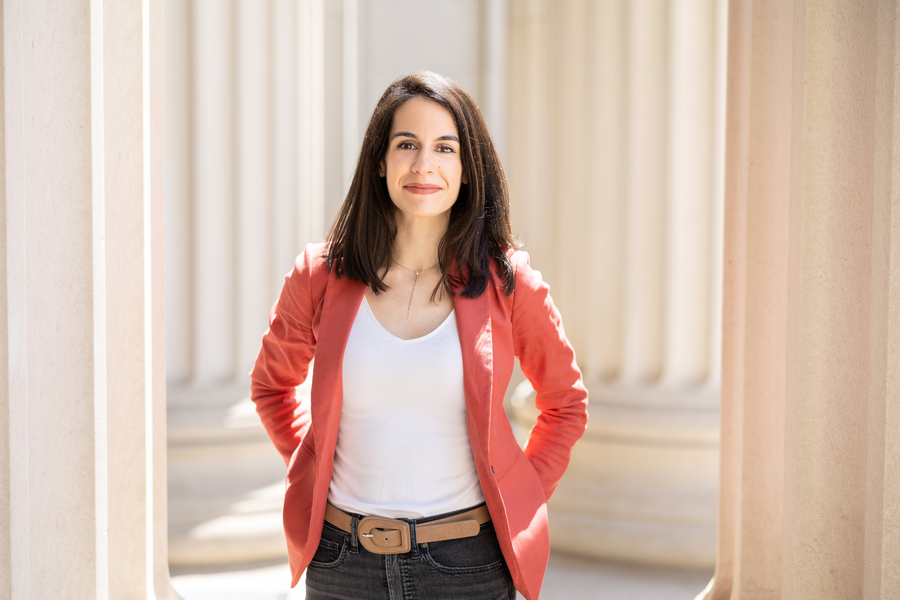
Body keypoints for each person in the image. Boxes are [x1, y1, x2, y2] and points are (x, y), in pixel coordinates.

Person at [250, 71, 588, 600]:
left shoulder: (509, 282)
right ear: (380, 161)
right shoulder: (318, 275)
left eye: (444, 148)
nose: (424, 164)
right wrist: (315, 467)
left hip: (467, 564)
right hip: (342, 565)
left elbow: (565, 406)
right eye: (406, 144)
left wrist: (518, 494)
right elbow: (272, 388)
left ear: (468, 169)